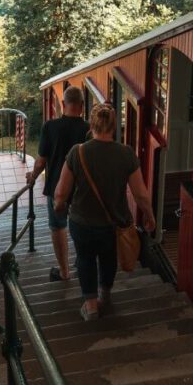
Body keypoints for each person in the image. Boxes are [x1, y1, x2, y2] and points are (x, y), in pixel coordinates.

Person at [54, 104, 156, 321]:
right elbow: (141, 194)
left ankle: (90, 306)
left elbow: (61, 193)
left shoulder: (77, 152)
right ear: (114, 127)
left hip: (82, 221)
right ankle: (105, 295)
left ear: (92, 125)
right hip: (113, 223)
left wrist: (59, 206)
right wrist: (149, 215)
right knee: (108, 257)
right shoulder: (126, 154)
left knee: (85, 258)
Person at [27, 85, 89, 281]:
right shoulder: (89, 129)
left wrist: (33, 177)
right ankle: (83, 264)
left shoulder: (50, 127)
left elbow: (41, 160)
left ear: (63, 104)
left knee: (58, 227)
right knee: (84, 225)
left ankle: (64, 272)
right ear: (82, 106)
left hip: (57, 187)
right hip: (82, 190)